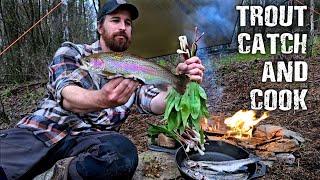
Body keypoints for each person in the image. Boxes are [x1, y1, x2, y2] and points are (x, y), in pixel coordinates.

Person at [0, 0, 204, 179]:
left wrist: (179, 83)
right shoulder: (73, 52)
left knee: (123, 152)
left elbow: (157, 102)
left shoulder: (134, 68)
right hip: (40, 132)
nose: (123, 27)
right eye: (115, 20)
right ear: (100, 27)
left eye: (128, 23)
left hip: (89, 145)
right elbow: (68, 95)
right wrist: (102, 98)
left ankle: (56, 173)